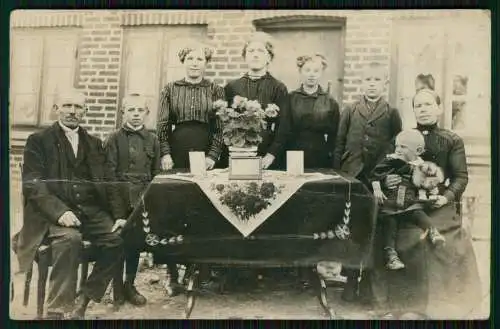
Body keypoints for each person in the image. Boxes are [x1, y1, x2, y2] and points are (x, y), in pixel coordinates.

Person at [12, 89, 125, 319]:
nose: (72, 111)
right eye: (67, 106)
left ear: (85, 111)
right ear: (56, 109)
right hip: (51, 214)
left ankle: (83, 300)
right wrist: (60, 212)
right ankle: (56, 310)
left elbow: (107, 182)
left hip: (90, 211)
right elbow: (33, 184)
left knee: (119, 239)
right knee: (69, 239)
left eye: (78, 107)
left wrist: (119, 215)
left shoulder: (94, 143)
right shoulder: (38, 141)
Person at [370, 88, 482, 318]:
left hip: (438, 203)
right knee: (398, 236)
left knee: (441, 238)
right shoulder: (402, 138)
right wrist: (388, 180)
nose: (423, 110)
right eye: (418, 106)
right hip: (406, 203)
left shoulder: (451, 140)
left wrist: (446, 197)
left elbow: (460, 177)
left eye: (428, 104)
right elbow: (383, 168)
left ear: (439, 108)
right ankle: (400, 303)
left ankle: (443, 303)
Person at [157, 41, 225, 295]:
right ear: (183, 61)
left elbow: (221, 127)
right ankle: (172, 273)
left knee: (203, 209)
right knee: (175, 210)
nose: (195, 63)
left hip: (206, 152)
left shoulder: (216, 90)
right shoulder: (170, 89)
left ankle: (197, 270)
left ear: (206, 63)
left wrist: (213, 156)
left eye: (200, 59)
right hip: (178, 152)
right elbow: (163, 124)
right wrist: (165, 153)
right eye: (190, 59)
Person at [333, 62, 402, 302]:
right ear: (361, 83)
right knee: (353, 227)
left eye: (376, 80)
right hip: (353, 176)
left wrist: (388, 175)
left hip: (378, 179)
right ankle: (350, 281)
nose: (372, 84)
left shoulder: (391, 112)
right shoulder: (351, 110)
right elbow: (339, 143)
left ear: (385, 83)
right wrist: (339, 173)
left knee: (374, 227)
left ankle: (370, 285)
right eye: (367, 80)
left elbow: (396, 146)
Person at [104, 94, 160, 307]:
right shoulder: (113, 138)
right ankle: (117, 287)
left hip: (141, 202)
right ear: (123, 113)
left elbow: (155, 176)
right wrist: (117, 212)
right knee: (118, 242)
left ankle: (130, 284)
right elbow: (108, 176)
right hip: (118, 200)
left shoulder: (153, 140)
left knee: (135, 244)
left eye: (140, 110)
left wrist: (148, 203)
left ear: (146, 113)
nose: (136, 114)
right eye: (131, 110)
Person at [370, 129, 446, 270]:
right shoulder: (391, 161)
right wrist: (377, 189)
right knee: (389, 225)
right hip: (391, 204)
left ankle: (433, 232)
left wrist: (432, 189)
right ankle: (391, 256)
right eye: (397, 146)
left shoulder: (422, 165)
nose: (398, 150)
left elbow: (429, 181)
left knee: (419, 214)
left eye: (403, 147)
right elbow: (375, 174)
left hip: (410, 202)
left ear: (418, 150)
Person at [220, 32, 291, 170]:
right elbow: (223, 123)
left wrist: (271, 154)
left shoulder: (278, 87)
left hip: (266, 152)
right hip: (236, 150)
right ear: (245, 57)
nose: (255, 54)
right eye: (251, 51)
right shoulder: (232, 86)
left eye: (261, 51)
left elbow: (284, 125)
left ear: (269, 57)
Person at [288, 54, 340, 168]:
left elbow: (335, 135)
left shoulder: (330, 101)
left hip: (320, 153)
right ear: (300, 71)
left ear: (321, 73)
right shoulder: (290, 98)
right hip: (293, 151)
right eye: (307, 70)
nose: (311, 74)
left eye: (316, 71)